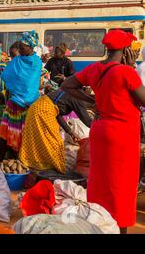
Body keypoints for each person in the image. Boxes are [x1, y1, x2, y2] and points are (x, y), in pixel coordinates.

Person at [61, 29, 145, 234]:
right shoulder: (126, 72)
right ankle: (120, 228)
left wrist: (92, 101)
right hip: (121, 134)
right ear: (126, 50)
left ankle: (99, 223)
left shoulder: (94, 69)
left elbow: (66, 85)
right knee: (121, 184)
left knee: (100, 181)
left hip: (100, 131)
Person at [19, 89, 93, 173]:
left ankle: (37, 167)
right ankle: (50, 169)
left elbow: (58, 114)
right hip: (42, 112)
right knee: (54, 143)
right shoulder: (75, 97)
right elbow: (87, 121)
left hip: (36, 109)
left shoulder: (68, 93)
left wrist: (70, 132)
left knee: (39, 142)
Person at [0, 31, 42, 160]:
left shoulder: (36, 62)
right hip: (13, 103)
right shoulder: (17, 60)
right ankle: (1, 160)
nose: (20, 49)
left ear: (30, 47)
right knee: (4, 133)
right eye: (20, 46)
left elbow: (30, 83)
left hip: (29, 105)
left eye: (23, 46)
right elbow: (6, 75)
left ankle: (21, 160)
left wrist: (22, 93)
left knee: (24, 134)